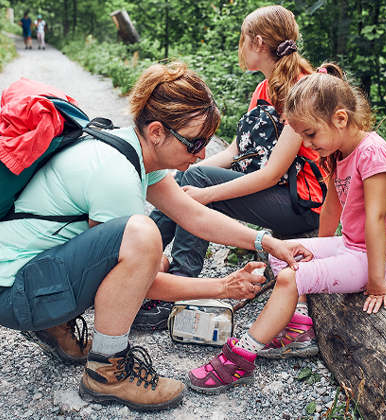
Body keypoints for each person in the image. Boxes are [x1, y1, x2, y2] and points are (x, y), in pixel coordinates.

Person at [0, 62, 312, 411]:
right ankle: (107, 370)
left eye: (207, 143)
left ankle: (53, 322)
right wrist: (222, 288)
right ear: (157, 132)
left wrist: (264, 241)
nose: (201, 155)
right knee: (143, 235)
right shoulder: (116, 174)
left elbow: (194, 215)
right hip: (15, 294)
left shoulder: (126, 147)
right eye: (195, 142)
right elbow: (136, 285)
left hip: (22, 275)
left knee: (143, 244)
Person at [187, 62, 386, 394]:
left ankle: (242, 356)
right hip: (353, 246)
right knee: (286, 252)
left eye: (310, 134)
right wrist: (317, 253)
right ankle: (299, 325)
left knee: (292, 276)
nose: (307, 142)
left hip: (385, 260)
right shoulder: (340, 151)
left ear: (340, 118)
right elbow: (332, 205)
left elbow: (377, 219)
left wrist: (378, 283)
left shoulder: (373, 154)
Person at [135, 5, 325, 361]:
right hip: (275, 190)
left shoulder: (303, 89)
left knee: (197, 183)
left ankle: (175, 282)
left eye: (242, 39)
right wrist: (190, 165)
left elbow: (270, 173)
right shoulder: (264, 88)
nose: (240, 46)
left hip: (299, 203)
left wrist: (203, 191)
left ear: (256, 42)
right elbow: (239, 152)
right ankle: (140, 265)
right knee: (190, 175)